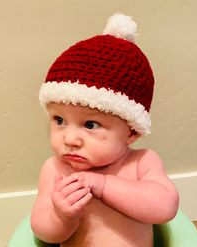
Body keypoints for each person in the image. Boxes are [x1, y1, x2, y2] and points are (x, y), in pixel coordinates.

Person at [31, 13, 179, 247]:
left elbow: (165, 207)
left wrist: (104, 186)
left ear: (132, 132)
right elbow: (43, 232)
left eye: (90, 125)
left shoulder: (142, 163)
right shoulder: (54, 169)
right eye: (59, 120)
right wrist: (60, 216)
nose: (69, 139)